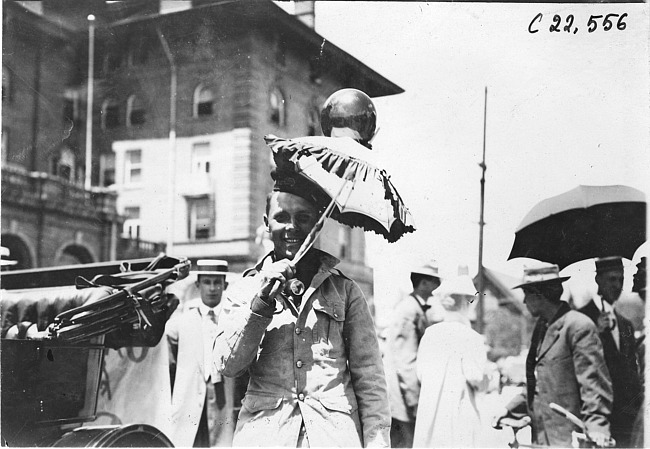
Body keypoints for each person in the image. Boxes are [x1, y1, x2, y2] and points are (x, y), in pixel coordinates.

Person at [213, 170, 390, 447]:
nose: (291, 226)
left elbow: (370, 377)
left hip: (332, 437)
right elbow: (227, 365)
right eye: (281, 217)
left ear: (317, 224)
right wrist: (261, 303)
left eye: (303, 218)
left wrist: (377, 443)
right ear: (266, 223)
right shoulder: (244, 289)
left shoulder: (345, 291)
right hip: (266, 437)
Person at [495, 264, 613, 447]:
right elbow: (540, 385)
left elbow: (593, 385)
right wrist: (508, 409)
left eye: (527, 294)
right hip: (542, 438)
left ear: (540, 295)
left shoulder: (578, 326)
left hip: (571, 438)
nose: (524, 301)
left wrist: (597, 427)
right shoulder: (542, 327)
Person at [166, 260, 237, 447]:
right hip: (189, 401)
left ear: (225, 285)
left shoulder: (233, 321)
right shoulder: (181, 322)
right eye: (207, 282)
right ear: (198, 285)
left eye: (217, 282)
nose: (212, 288)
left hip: (222, 400)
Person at [413, 274, 487, 448]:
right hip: (459, 412)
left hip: (431, 411)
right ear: (466, 302)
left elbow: (420, 374)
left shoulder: (430, 334)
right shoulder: (471, 337)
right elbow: (476, 377)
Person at [577, 256, 642, 448]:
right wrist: (595, 332)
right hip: (596, 416)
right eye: (611, 279)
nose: (617, 285)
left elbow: (632, 371)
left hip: (625, 418)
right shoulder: (581, 317)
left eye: (621, 280)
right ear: (598, 279)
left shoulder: (625, 324)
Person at [382, 260, 442, 447]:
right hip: (402, 398)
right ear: (423, 283)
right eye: (434, 282)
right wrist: (415, 401)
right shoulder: (409, 310)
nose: (436, 287)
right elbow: (405, 360)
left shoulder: (415, 307)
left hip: (404, 397)